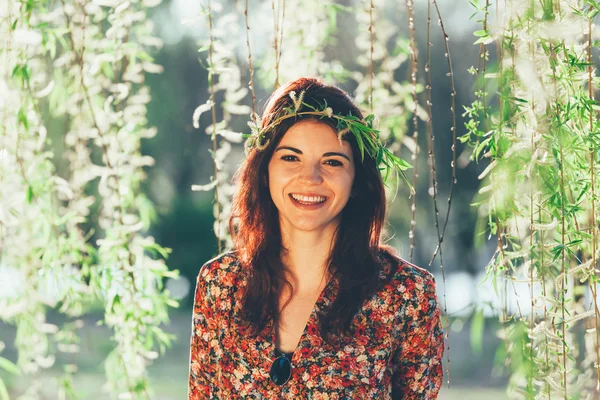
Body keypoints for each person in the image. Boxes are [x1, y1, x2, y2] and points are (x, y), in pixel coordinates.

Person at [187, 77, 444, 399]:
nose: (310, 178)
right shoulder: (220, 283)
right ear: (264, 171)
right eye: (291, 157)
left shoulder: (406, 293)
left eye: (333, 161)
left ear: (357, 180)